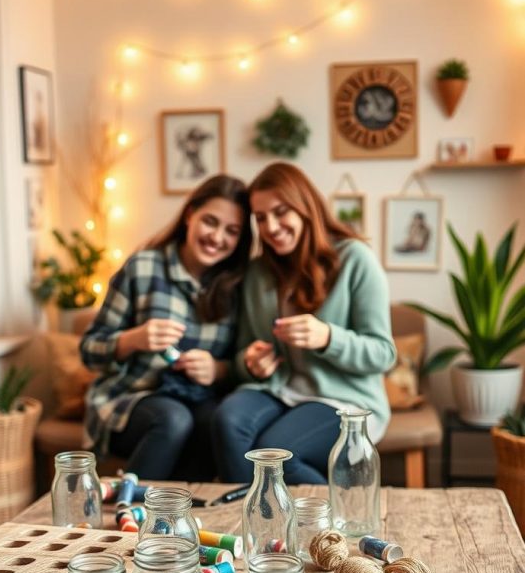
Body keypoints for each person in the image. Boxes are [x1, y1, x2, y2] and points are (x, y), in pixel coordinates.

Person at [211, 162, 397, 485]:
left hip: (342, 399)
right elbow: (243, 351)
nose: (271, 226)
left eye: (281, 212)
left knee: (275, 455)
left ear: (305, 207)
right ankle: (252, 526)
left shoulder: (355, 260)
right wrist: (251, 362)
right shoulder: (257, 273)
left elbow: (383, 353)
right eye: (260, 218)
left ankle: (338, 518)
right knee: (226, 422)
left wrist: (328, 338)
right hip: (277, 390)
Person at [80, 174, 252, 480]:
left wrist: (218, 369)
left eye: (232, 231)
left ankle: (180, 517)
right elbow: (89, 351)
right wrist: (133, 339)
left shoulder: (238, 285)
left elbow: (242, 364)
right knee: (174, 419)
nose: (217, 237)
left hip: (199, 400)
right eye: (210, 221)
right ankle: (129, 512)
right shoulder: (143, 267)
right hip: (130, 403)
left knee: (216, 423)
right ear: (189, 216)